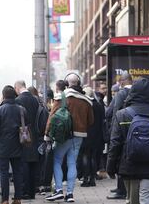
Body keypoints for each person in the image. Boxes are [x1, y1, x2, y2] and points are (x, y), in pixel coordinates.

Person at [107, 78, 149, 204]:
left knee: (132, 200)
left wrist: (111, 167)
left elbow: (115, 143)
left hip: (129, 166)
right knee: (147, 199)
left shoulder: (122, 114)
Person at [45, 73, 94, 202]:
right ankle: (70, 194)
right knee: (72, 162)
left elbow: (52, 117)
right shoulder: (86, 100)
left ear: (67, 83)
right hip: (79, 136)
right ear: (79, 83)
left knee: (57, 160)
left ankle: (59, 190)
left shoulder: (62, 97)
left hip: (63, 135)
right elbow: (91, 121)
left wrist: (47, 135)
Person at [0, 85, 25, 204]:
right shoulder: (21, 109)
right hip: (18, 145)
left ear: (3, 96)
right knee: (17, 172)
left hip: (3, 146)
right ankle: (18, 198)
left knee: (4, 173)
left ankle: (5, 199)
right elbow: (26, 125)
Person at [107, 72, 133, 200]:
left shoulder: (121, 93)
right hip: (132, 129)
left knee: (118, 158)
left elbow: (114, 113)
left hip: (121, 128)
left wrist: (113, 130)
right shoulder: (135, 92)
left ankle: (121, 190)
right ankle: (121, 187)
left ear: (122, 82)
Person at [14, 81, 40, 200]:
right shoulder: (35, 99)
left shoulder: (18, 100)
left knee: (24, 163)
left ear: (17, 87)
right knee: (33, 163)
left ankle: (24, 191)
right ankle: (32, 191)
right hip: (34, 134)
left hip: (23, 135)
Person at [80, 87, 105, 187]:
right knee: (93, 157)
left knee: (86, 156)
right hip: (97, 136)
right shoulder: (98, 105)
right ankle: (92, 179)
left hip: (86, 135)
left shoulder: (85, 105)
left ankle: (85, 179)